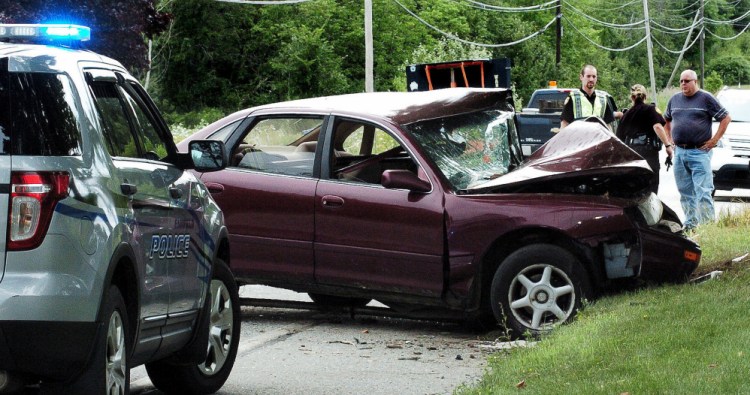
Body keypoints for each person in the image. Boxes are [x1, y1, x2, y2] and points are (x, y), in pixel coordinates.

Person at [664, 69, 731, 230]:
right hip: (680, 152)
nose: (683, 84)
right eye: (681, 81)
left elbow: (725, 118)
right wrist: (669, 139)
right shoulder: (674, 99)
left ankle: (708, 227)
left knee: (703, 192)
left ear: (695, 81)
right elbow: (666, 120)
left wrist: (714, 140)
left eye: (687, 81)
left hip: (699, 152)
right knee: (685, 192)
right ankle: (690, 224)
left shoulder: (706, 98)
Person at [616, 84, 673, 194]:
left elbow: (619, 138)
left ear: (632, 98)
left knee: (635, 188)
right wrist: (667, 145)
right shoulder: (651, 109)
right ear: (645, 96)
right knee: (651, 189)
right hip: (648, 153)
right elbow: (657, 126)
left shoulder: (626, 114)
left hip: (632, 154)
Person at [560, 64, 622, 131]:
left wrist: (611, 140)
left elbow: (608, 125)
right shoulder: (573, 98)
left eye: (594, 76)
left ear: (596, 78)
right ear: (581, 77)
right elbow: (564, 125)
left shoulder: (603, 99)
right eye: (588, 76)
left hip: (599, 140)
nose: (591, 79)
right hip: (580, 140)